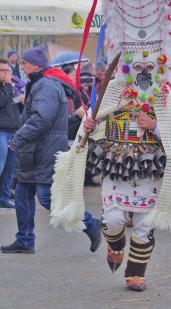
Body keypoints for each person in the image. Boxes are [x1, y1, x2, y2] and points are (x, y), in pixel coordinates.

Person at [50, 0, 171, 291]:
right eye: (136, 66)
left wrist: (154, 125)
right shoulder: (113, 88)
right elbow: (88, 129)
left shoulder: (162, 96)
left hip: (148, 168)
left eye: (148, 66)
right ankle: (114, 245)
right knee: (112, 220)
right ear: (126, 64)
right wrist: (89, 128)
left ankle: (136, 273)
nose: (142, 71)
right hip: (115, 163)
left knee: (144, 225)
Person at [1, 45, 101, 254]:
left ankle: (91, 224)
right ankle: (25, 240)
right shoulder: (43, 82)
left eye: (25, 63)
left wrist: (18, 139)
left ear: (36, 65)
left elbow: (41, 118)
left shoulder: (46, 85)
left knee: (47, 198)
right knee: (22, 194)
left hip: (43, 150)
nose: (22, 67)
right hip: (35, 150)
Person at [0, 59, 20, 209]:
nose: (6, 73)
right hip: (1, 132)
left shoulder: (8, 87)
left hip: (12, 132)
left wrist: (19, 99)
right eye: (2, 70)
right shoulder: (5, 87)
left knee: (9, 169)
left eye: (7, 70)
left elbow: (11, 102)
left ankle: (4, 198)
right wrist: (7, 86)